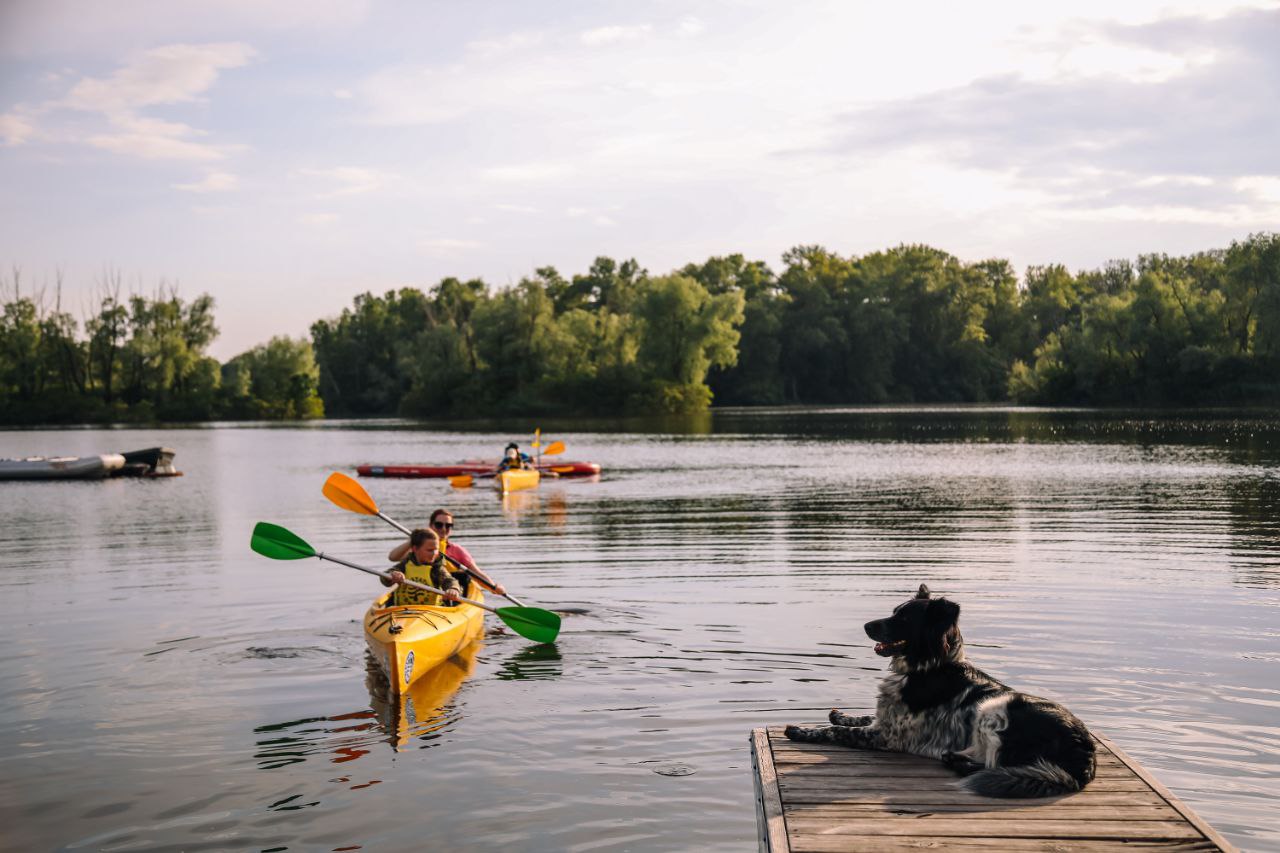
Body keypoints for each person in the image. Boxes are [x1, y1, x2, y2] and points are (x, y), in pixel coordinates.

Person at [387, 508, 507, 598]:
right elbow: (393, 557)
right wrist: (414, 539)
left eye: (448, 525)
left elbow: (476, 573)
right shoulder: (418, 549)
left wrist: (494, 587)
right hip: (417, 590)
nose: (444, 529)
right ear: (431, 525)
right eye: (439, 525)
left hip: (448, 593)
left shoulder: (457, 550)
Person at [382, 527, 461, 607]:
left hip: (430, 612)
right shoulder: (405, 564)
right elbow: (385, 577)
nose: (434, 553)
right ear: (415, 549)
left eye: (436, 549)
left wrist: (453, 589)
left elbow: (449, 580)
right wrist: (392, 575)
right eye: (430, 550)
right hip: (402, 611)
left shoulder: (436, 568)